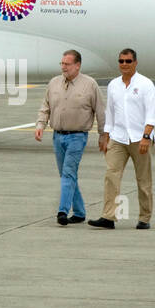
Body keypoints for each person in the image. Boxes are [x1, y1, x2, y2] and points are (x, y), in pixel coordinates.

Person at [89, 48, 155, 230]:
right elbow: (109, 113)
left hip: (139, 138)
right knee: (111, 175)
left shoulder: (145, 84)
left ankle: (144, 217)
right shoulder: (113, 85)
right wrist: (105, 135)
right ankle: (108, 217)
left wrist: (146, 137)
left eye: (128, 61)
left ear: (135, 63)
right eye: (121, 61)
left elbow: (152, 114)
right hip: (118, 138)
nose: (124, 65)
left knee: (143, 180)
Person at [35, 50, 105, 226]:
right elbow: (46, 106)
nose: (63, 67)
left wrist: (104, 135)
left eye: (67, 64)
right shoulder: (54, 83)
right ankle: (80, 212)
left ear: (77, 65)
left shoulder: (90, 84)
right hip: (58, 136)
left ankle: (62, 211)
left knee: (68, 173)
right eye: (62, 64)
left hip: (77, 137)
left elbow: (100, 111)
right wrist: (40, 125)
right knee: (67, 175)